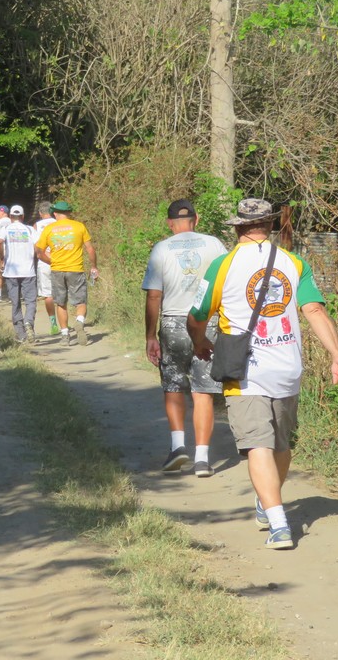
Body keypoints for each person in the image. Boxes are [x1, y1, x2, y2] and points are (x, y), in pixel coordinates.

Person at [187, 199, 338, 550]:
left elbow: (197, 315)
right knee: (280, 443)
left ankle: (278, 525)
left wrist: (199, 342)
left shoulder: (222, 265)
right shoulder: (294, 262)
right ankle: (270, 502)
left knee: (257, 444)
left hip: (245, 369)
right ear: (271, 225)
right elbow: (314, 310)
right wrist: (337, 355)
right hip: (288, 366)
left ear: (237, 227)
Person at [143, 199, 227, 474]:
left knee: (174, 385)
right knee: (203, 391)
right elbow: (227, 284)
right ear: (196, 219)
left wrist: (150, 336)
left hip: (173, 324)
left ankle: (178, 447)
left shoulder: (161, 249)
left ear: (170, 223)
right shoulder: (214, 245)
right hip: (207, 322)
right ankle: (202, 458)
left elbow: (154, 296)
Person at [35, 200, 98, 347]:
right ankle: (79, 321)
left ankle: (65, 336)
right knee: (81, 302)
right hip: (76, 269)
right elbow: (90, 249)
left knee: (61, 303)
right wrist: (94, 266)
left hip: (57, 270)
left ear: (55, 213)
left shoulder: (49, 229)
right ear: (69, 213)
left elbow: (39, 252)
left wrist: (51, 261)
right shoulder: (79, 226)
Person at [0, 205, 38, 343]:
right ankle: (29, 322)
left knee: (16, 302)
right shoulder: (30, 230)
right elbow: (38, 246)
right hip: (28, 271)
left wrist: (2, 256)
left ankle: (21, 334)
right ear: (23, 216)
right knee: (30, 301)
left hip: (11, 271)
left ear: (11, 217)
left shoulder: (6, 229)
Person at [32, 201, 58, 335]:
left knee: (48, 295)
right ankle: (64, 322)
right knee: (61, 292)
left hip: (44, 262)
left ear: (40, 213)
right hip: (60, 260)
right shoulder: (58, 222)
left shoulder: (37, 225)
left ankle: (53, 323)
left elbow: (36, 246)